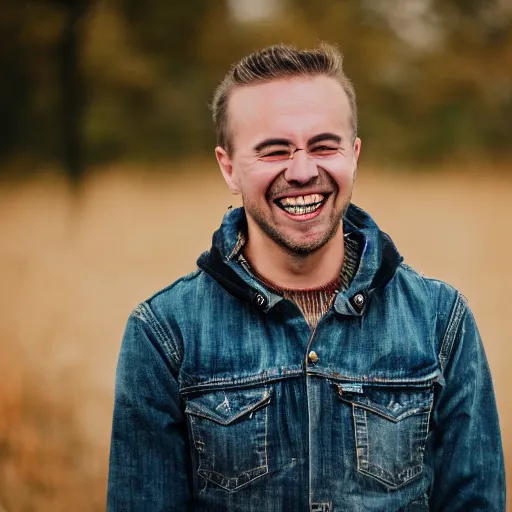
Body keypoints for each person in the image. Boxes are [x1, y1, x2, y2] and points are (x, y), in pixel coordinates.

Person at [107, 44, 505, 511]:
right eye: (274, 151)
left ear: (353, 155)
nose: (302, 171)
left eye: (323, 145)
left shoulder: (441, 321)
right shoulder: (163, 334)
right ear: (229, 166)